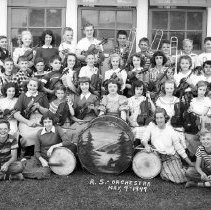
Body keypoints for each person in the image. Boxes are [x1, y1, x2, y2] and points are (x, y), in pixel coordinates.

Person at [141, 107, 193, 183]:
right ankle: (165, 170)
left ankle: (186, 170)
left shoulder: (170, 130)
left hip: (170, 156)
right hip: (157, 156)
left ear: (165, 118)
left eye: (161, 117)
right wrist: (146, 145)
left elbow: (179, 148)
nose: (159, 120)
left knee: (177, 178)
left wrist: (189, 162)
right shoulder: (151, 125)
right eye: (157, 118)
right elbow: (144, 138)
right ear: (155, 118)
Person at [22, 112, 75, 179]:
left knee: (44, 172)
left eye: (49, 122)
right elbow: (36, 152)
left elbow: (68, 142)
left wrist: (53, 147)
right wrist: (42, 160)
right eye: (45, 122)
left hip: (55, 159)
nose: (47, 124)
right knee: (26, 167)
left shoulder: (57, 129)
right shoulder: (39, 133)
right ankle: (25, 163)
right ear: (43, 123)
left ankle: (26, 167)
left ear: (53, 121)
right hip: (41, 158)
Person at [14, 78, 49, 158]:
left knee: (46, 132)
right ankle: (26, 153)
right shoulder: (22, 96)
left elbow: (47, 112)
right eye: (30, 85)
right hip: (26, 120)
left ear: (37, 87)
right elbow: (16, 114)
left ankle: (42, 153)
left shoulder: (42, 95)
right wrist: (27, 122)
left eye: (34, 86)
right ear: (27, 85)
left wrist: (39, 107)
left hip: (41, 119)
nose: (32, 87)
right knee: (26, 136)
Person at [68, 77, 99, 143]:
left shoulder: (94, 97)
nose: (84, 86)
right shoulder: (76, 98)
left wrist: (94, 108)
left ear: (89, 85)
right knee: (69, 132)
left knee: (78, 132)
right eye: (82, 84)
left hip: (90, 121)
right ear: (79, 86)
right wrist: (77, 119)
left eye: (86, 84)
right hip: (79, 120)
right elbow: (73, 114)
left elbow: (99, 114)